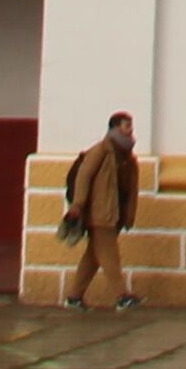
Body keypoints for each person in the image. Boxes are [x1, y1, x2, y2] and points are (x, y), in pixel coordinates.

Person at [62, 108, 142, 309]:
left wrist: (129, 214)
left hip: (114, 214)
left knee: (93, 257)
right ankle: (122, 296)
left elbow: (129, 188)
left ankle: (74, 297)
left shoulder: (127, 156)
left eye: (131, 125)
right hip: (100, 213)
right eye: (126, 125)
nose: (131, 130)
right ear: (115, 128)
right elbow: (84, 176)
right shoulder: (101, 150)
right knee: (109, 254)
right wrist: (78, 204)